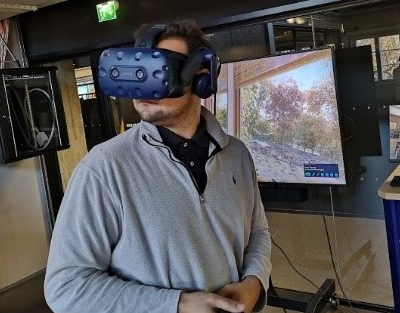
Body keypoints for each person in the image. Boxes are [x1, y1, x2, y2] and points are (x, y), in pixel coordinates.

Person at [44, 19, 272, 313]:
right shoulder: (103, 169)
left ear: (203, 76)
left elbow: (258, 232)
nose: (144, 86)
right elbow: (65, 286)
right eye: (139, 72)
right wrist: (174, 304)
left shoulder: (237, 154)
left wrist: (255, 281)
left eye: (161, 69)